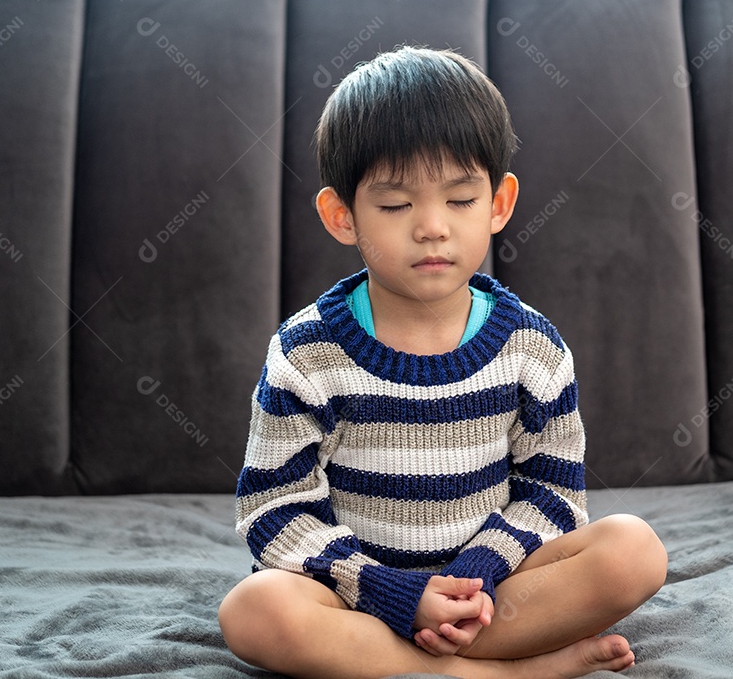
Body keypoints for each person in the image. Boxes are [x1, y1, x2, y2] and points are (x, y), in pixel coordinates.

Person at [219, 46, 667, 679]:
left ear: (499, 204)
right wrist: (394, 596)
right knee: (254, 610)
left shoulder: (532, 347)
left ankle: (413, 664)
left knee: (634, 551)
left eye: (460, 200)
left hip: (490, 590)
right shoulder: (308, 352)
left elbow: (554, 496)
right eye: (396, 206)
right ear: (341, 216)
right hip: (359, 599)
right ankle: (500, 674)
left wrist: (474, 575)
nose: (432, 227)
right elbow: (273, 509)